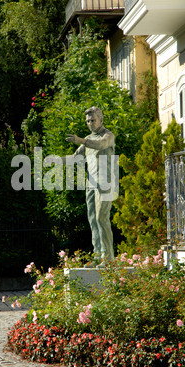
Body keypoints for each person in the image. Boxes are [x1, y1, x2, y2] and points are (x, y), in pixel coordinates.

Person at [66, 106, 115, 267]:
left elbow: (100, 145)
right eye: (87, 121)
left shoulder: (108, 136)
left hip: (105, 183)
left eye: (92, 120)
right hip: (91, 184)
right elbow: (74, 157)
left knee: (102, 218)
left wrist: (81, 140)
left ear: (101, 119)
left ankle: (108, 258)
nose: (90, 123)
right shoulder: (87, 139)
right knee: (93, 220)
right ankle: (98, 256)